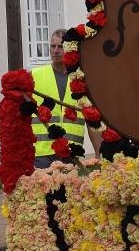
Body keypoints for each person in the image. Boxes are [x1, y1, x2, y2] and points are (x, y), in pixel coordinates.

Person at [31, 29, 101, 168]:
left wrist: (99, 154)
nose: (56, 51)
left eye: (60, 46)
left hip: (72, 153)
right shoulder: (34, 76)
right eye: (53, 46)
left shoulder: (81, 80)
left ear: (69, 49)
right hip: (42, 153)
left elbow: (91, 120)